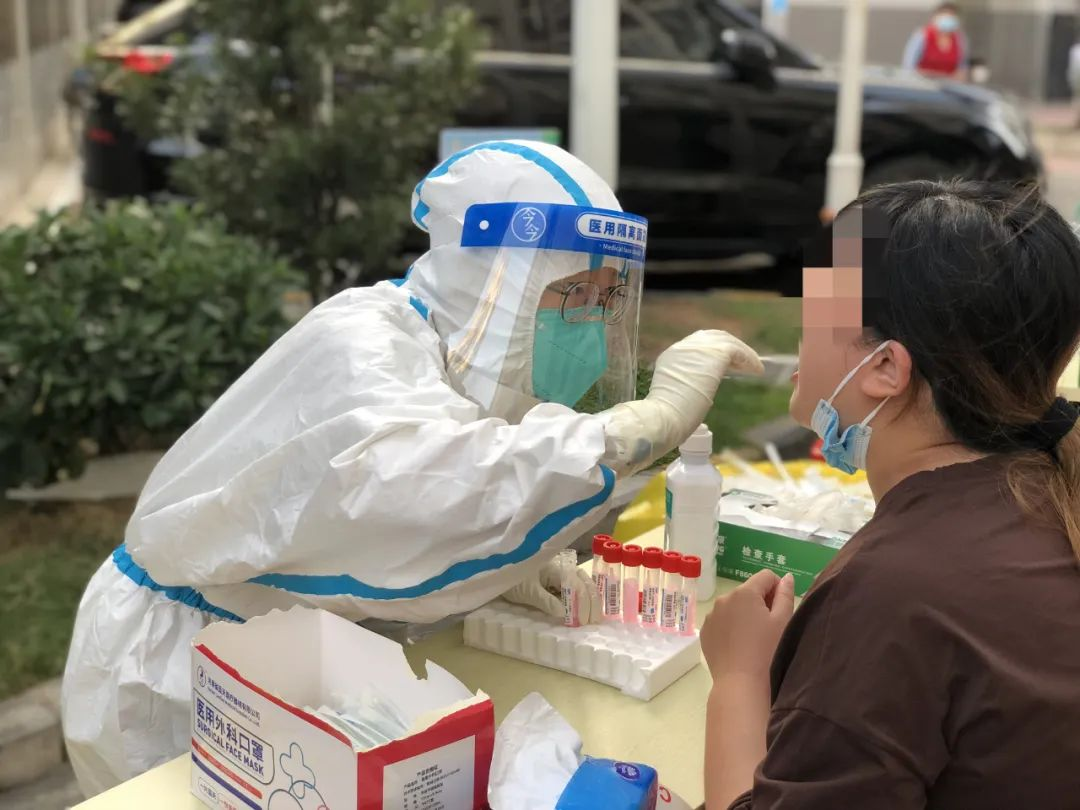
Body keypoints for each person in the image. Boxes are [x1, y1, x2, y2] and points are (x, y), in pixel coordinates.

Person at [61, 140, 762, 796]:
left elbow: (428, 495)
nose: (591, 322)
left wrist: (504, 570)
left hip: (275, 646)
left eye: (606, 299)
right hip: (171, 667)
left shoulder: (452, 353)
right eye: (573, 293)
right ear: (499, 282)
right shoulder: (362, 343)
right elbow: (422, 489)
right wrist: (642, 425)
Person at [700, 180, 1080, 808]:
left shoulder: (894, 592)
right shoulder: (1043, 491)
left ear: (884, 367)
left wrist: (738, 678)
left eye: (815, 318)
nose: (800, 335)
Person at [902, 3, 969, 79]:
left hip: (948, 83)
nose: (948, 19)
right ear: (935, 17)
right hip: (922, 82)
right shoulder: (922, 35)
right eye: (945, 16)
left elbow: (962, 68)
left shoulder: (959, 39)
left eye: (951, 16)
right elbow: (908, 66)